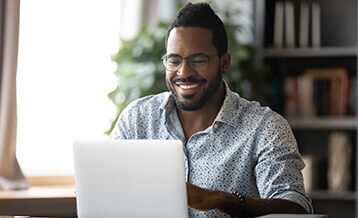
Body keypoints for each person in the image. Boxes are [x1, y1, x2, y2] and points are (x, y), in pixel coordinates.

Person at [110, 2, 313, 217]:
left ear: (224, 63)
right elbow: (105, 188)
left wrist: (217, 199)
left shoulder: (265, 128)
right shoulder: (137, 119)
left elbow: (295, 209)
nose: (184, 72)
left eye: (198, 60)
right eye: (174, 60)